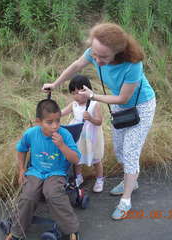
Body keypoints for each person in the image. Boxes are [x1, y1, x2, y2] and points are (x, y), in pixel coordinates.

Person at [42, 22, 156, 220]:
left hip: (141, 106)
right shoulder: (95, 52)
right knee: (119, 149)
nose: (96, 59)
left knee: (130, 151)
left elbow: (122, 98)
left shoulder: (132, 65)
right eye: (94, 54)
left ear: (118, 53)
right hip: (119, 106)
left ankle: (126, 199)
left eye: (103, 57)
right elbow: (77, 65)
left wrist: (92, 96)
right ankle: (132, 180)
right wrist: (55, 83)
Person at [10, 99, 81, 240]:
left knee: (53, 193)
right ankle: (16, 232)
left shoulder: (64, 134)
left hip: (57, 172)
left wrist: (62, 146)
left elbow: (75, 159)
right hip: (36, 171)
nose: (55, 126)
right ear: (38, 122)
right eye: (49, 122)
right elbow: (21, 149)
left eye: (58, 121)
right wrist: (21, 169)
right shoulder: (31, 133)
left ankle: (72, 229)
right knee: (28, 195)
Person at [61, 75, 105, 193]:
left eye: (79, 92)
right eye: (73, 93)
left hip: (91, 136)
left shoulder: (94, 104)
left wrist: (90, 118)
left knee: (96, 159)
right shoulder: (74, 105)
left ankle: (100, 179)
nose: (76, 96)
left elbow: (99, 121)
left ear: (87, 91)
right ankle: (78, 177)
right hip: (78, 134)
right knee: (77, 157)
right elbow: (62, 112)